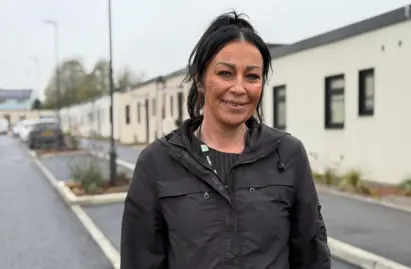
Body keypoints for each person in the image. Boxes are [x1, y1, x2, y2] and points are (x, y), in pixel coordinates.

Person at [120, 10, 331, 269]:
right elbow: (140, 261)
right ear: (199, 79)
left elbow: (312, 258)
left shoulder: (287, 155)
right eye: (225, 73)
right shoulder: (157, 162)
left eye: (252, 76)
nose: (239, 88)